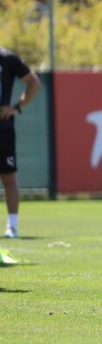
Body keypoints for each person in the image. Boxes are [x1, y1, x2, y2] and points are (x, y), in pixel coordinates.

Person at [0, 46, 41, 261]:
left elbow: (34, 82)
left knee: (8, 176)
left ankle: (12, 226)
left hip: (3, 128)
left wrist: (16, 107)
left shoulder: (7, 58)